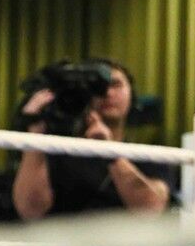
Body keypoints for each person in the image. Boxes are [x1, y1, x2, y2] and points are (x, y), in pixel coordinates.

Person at [11, 58, 173, 219]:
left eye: (116, 84)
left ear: (132, 95)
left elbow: (151, 208)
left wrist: (110, 152)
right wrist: (35, 131)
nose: (108, 93)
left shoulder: (149, 156)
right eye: (98, 87)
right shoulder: (56, 150)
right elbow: (30, 211)